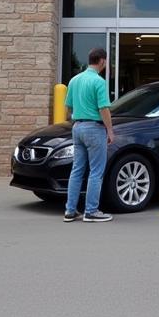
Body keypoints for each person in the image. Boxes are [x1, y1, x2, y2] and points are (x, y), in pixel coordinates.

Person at [63, 46, 114, 223]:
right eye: (106, 61)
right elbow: (104, 109)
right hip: (94, 128)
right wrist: (110, 130)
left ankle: (70, 211)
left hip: (77, 127)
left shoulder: (74, 80)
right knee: (96, 172)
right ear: (102, 61)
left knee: (77, 170)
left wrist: (75, 123)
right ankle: (91, 211)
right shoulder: (99, 82)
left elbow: (68, 107)